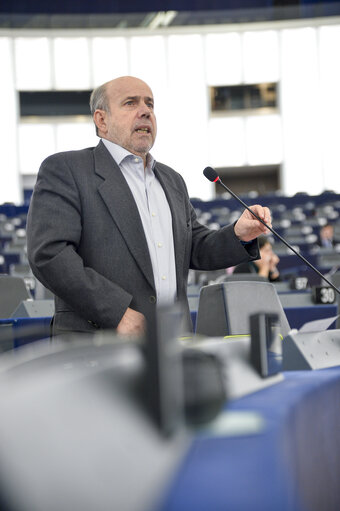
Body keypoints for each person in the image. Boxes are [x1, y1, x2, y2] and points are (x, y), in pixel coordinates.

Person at [26, 76, 271, 337]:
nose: (145, 111)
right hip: (99, 345)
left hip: (173, 342)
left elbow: (193, 247)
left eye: (150, 104)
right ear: (101, 120)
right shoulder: (67, 170)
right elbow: (50, 255)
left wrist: (238, 234)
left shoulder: (172, 180)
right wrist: (115, 310)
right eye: (131, 103)